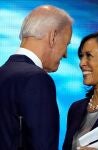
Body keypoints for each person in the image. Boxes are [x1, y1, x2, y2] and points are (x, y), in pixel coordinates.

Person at [0, 5, 72, 150]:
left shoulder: (3, 73)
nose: (65, 54)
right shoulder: (37, 79)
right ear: (53, 37)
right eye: (66, 44)